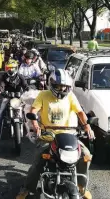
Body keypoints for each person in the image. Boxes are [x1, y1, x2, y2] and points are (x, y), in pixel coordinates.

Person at [16, 69, 94, 199]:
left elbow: (80, 112)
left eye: (65, 86)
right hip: (48, 135)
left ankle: (81, 186)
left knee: (85, 155)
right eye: (59, 86)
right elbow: (33, 110)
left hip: (69, 135)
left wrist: (87, 126)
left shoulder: (70, 96)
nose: (62, 89)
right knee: (39, 159)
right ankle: (27, 188)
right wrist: (35, 124)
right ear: (52, 84)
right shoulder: (43, 95)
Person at [0, 62, 29, 143]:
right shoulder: (4, 76)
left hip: (19, 96)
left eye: (12, 68)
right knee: (0, 115)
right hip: (8, 96)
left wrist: (27, 89)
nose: (10, 70)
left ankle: (29, 130)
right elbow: (2, 85)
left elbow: (25, 85)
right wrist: (0, 91)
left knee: (28, 111)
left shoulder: (20, 76)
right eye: (8, 68)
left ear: (16, 68)